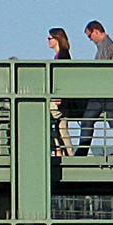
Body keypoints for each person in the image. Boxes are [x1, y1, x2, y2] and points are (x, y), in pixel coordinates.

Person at [73, 22, 113, 156]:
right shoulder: (106, 45)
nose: (90, 39)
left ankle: (82, 151)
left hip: (103, 92)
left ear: (96, 31)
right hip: (104, 91)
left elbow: (101, 70)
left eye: (89, 35)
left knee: (92, 121)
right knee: (111, 121)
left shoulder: (106, 45)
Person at [46, 28, 76, 156]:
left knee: (47, 114)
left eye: (49, 38)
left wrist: (59, 97)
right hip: (62, 99)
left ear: (57, 39)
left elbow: (63, 79)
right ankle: (65, 152)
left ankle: (61, 151)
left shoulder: (63, 56)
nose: (48, 41)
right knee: (61, 127)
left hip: (61, 100)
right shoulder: (61, 55)